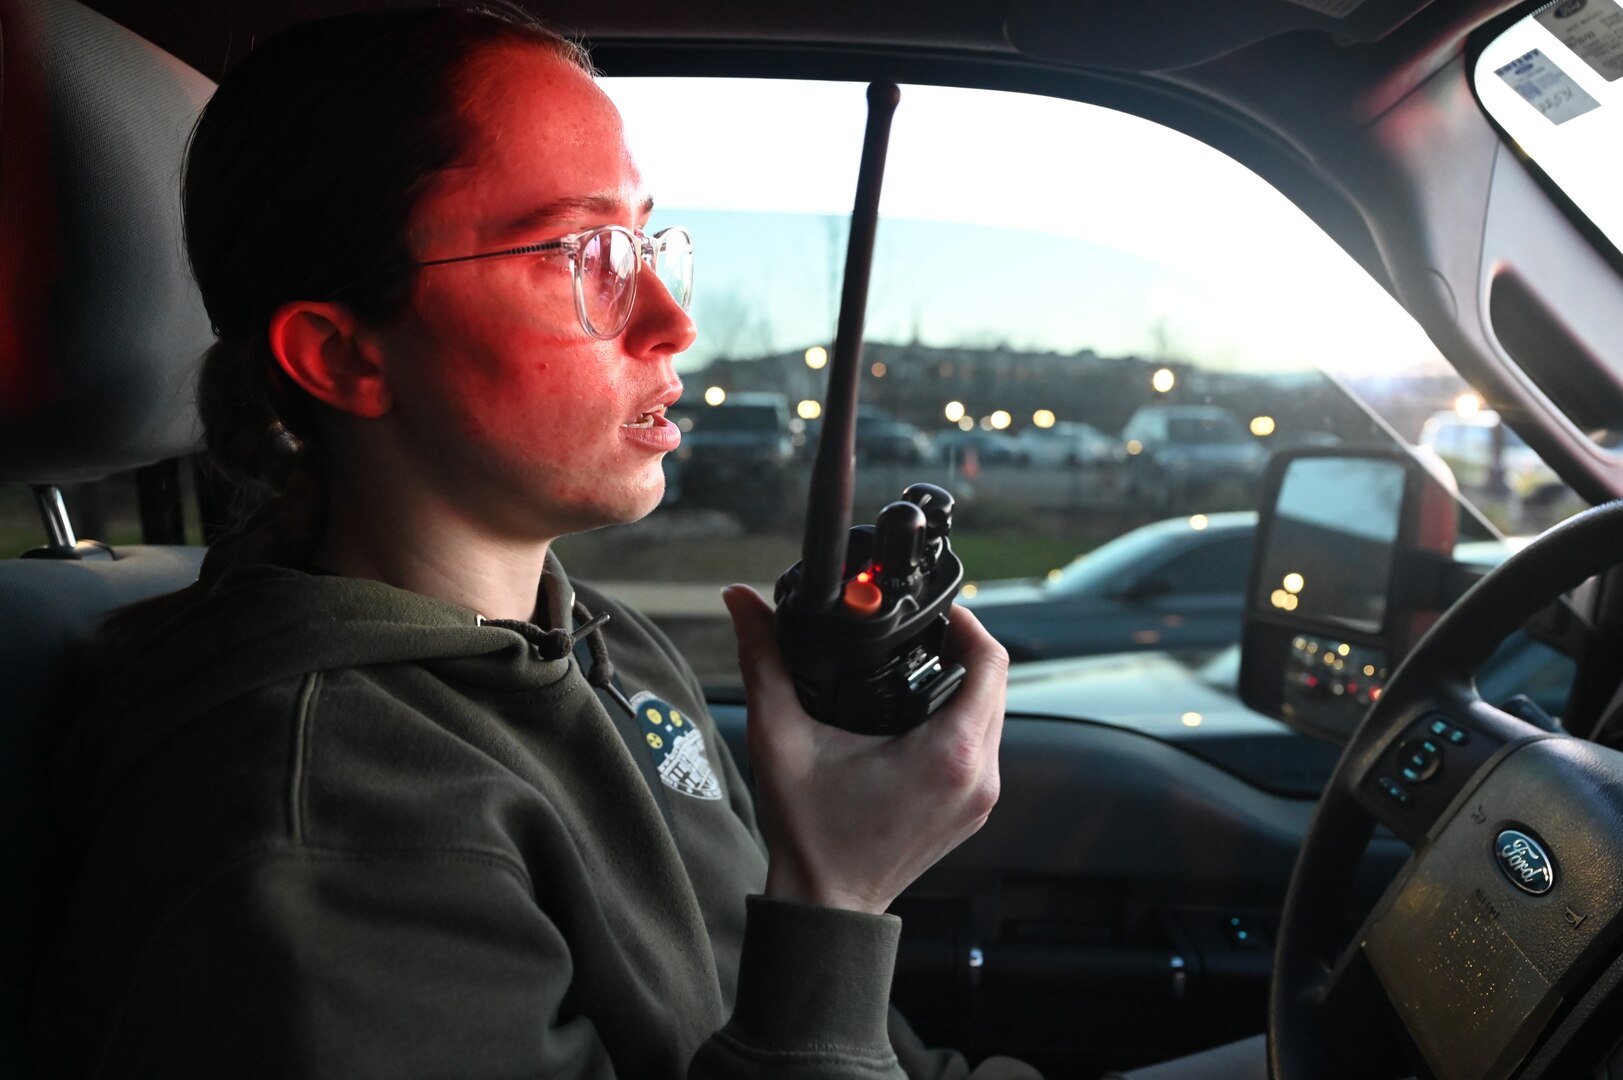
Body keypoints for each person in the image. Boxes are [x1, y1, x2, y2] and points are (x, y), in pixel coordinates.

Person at [31, 6, 1033, 1077]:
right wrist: (836, 896)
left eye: (648, 242)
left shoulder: (609, 644)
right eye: (586, 253)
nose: (671, 318)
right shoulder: (324, 827)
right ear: (341, 357)